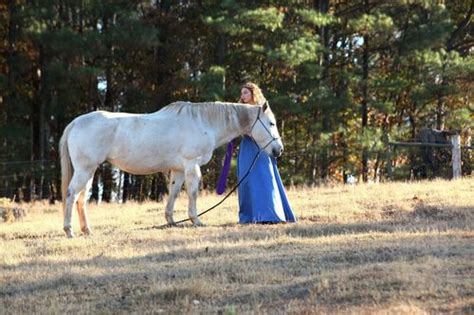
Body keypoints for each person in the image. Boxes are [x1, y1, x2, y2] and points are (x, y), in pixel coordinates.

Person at [235, 82, 296, 224]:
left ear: (253, 93)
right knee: (247, 182)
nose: (243, 95)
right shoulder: (240, 110)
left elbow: (270, 128)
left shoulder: (263, 109)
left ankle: (269, 214)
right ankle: (249, 216)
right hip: (247, 148)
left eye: (246, 92)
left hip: (261, 147)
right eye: (242, 93)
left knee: (264, 179)